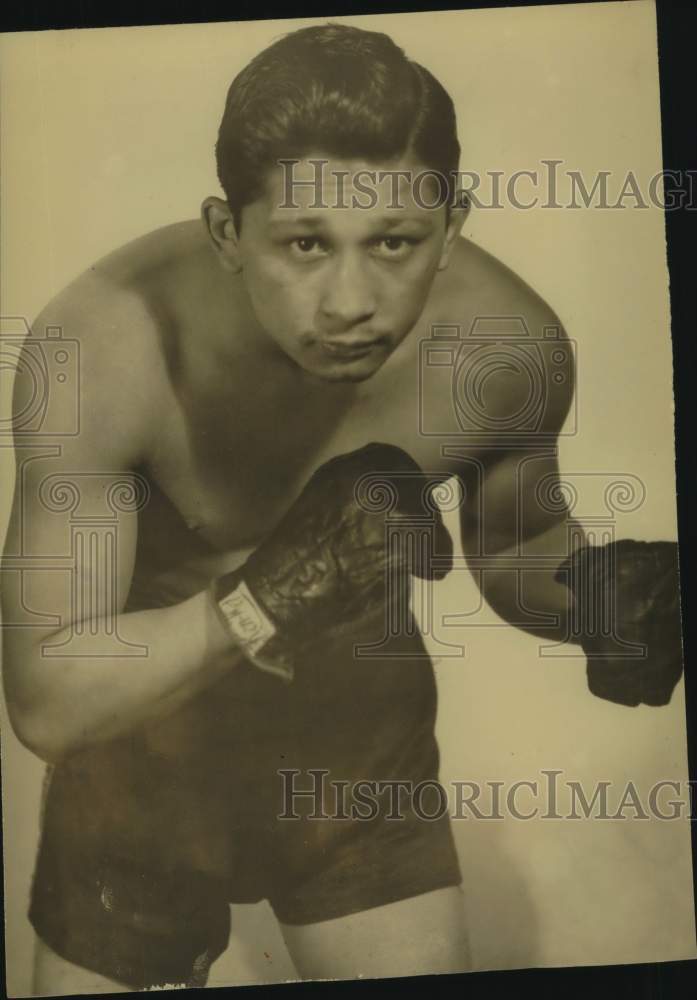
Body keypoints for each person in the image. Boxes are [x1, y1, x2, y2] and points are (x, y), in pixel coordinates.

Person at [1, 22, 682, 994]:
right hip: (139, 762)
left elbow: (519, 543)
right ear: (227, 233)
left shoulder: (506, 350)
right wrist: (266, 594)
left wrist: (596, 601)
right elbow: (46, 700)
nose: (350, 300)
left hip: (355, 754)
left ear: (451, 226)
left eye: (395, 242)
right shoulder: (101, 352)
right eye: (304, 244)